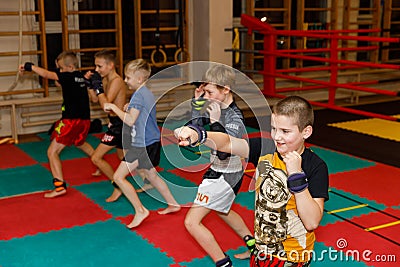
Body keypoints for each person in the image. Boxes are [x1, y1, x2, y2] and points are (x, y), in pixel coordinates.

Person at [175, 96, 329, 266]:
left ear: (305, 132)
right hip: (262, 251)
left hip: (291, 258)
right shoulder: (266, 150)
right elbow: (227, 143)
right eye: (273, 128)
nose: (277, 137)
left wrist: (296, 177)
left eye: (285, 131)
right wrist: (200, 134)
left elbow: (312, 221)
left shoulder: (315, 166)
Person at [183, 64, 255, 267]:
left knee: (191, 222)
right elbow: (194, 129)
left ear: (226, 89)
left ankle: (223, 263)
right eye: (204, 91)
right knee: (223, 211)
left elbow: (225, 150)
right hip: (217, 170)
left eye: (210, 91)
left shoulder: (234, 117)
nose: (206, 95)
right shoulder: (216, 107)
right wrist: (197, 104)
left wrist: (214, 123)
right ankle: (255, 247)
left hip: (227, 174)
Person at [103, 59, 180, 228]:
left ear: (139, 79)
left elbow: (130, 121)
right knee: (151, 175)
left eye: (128, 77)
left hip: (142, 144)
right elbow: (143, 113)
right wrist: (131, 107)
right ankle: (173, 203)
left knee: (118, 177)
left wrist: (114, 108)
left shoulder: (139, 94)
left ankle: (140, 210)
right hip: (151, 140)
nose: (125, 80)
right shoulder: (146, 92)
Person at [19, 51, 95, 198]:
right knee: (80, 143)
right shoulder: (80, 77)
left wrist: (29, 66)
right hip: (84, 120)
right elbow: (59, 77)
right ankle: (100, 164)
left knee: (51, 152)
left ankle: (59, 187)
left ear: (71, 67)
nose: (59, 72)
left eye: (61, 68)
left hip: (71, 121)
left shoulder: (68, 75)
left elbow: (48, 75)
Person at [86, 49, 128, 202]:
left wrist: (98, 87)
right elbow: (95, 100)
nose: (97, 70)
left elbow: (106, 104)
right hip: (117, 123)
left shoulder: (116, 80)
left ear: (110, 65)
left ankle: (118, 186)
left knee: (96, 158)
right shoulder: (106, 79)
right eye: (95, 66)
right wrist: (90, 85)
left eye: (99, 66)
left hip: (120, 125)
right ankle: (148, 180)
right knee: (123, 156)